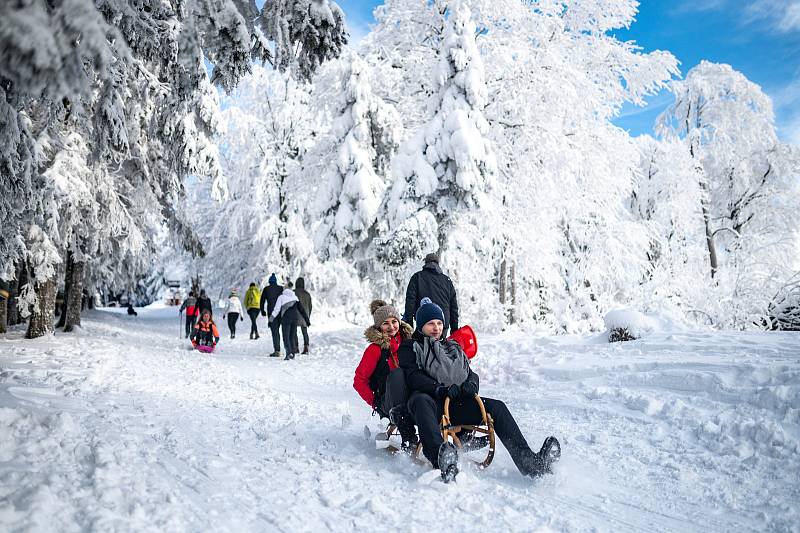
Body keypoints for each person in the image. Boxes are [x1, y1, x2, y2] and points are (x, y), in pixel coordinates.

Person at [399, 298, 561, 483]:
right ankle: (441, 459)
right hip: (429, 403)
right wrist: (439, 389)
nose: (436, 328)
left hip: (455, 402)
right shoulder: (410, 347)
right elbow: (413, 376)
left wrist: (471, 383)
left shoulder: (453, 347)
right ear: (420, 326)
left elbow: (470, 372)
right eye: (430, 324)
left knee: (497, 407)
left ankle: (529, 462)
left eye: (439, 323)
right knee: (420, 401)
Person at [353, 300, 417, 450]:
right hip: (387, 400)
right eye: (385, 323)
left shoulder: (409, 343)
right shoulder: (375, 350)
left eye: (394, 321)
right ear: (379, 327)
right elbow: (359, 381)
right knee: (397, 374)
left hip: (411, 394)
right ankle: (409, 438)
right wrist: (374, 402)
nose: (391, 327)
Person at [403, 253, 459, 337]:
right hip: (442, 324)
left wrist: (409, 325)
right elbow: (454, 307)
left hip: (425, 322)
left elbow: (410, 302)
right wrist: (455, 329)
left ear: (426, 263)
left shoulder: (417, 277)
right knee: (440, 348)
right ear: (437, 263)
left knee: (422, 348)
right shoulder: (447, 280)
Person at [269, 281, 310, 360]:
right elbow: (301, 310)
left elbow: (276, 310)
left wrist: (271, 319)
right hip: (295, 319)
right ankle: (293, 353)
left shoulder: (281, 297)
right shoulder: (295, 297)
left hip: (286, 319)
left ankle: (288, 353)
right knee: (292, 336)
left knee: (286, 336)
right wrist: (307, 320)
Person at [260, 274, 284, 357]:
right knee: (281, 330)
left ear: (270, 282)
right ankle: (289, 348)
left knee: (275, 331)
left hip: (271, 312)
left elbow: (262, 301)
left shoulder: (266, 289)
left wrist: (262, 310)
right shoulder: (281, 288)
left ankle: (277, 350)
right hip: (280, 312)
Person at [294, 277, 313, 354]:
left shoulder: (293, 292)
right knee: (304, 331)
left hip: (295, 315)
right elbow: (310, 306)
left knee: (294, 331)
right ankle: (306, 347)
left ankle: (296, 347)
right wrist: (308, 315)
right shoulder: (307, 294)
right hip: (305, 315)